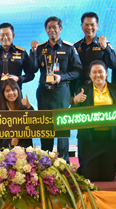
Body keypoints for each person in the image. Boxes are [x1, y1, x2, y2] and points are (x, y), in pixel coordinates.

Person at [30, 16, 82, 163]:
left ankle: (63, 163)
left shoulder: (69, 48)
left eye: (55, 27)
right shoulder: (40, 48)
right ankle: (45, 162)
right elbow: (33, 69)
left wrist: (61, 77)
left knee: (62, 128)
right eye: (49, 28)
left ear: (60, 29)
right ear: (45, 30)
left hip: (61, 91)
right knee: (46, 128)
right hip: (44, 93)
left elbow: (78, 70)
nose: (52, 30)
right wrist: (33, 52)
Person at [72, 61, 116, 181]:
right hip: (90, 139)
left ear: (106, 73)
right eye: (94, 72)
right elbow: (74, 115)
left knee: (108, 177)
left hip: (110, 138)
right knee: (90, 176)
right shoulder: (83, 90)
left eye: (100, 72)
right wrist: (76, 101)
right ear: (89, 75)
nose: (97, 75)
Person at [0, 23, 34, 109]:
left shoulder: (21, 53)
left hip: (14, 95)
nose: (5, 37)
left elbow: (30, 75)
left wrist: (19, 79)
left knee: (16, 117)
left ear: (13, 36)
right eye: (2, 35)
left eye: (8, 34)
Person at [73, 12, 116, 88]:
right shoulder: (76, 46)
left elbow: (114, 65)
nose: (89, 28)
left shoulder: (105, 44)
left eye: (92, 25)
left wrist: (106, 48)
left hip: (100, 87)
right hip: (81, 87)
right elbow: (73, 69)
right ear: (81, 26)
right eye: (86, 25)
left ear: (97, 26)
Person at [0, 79, 34, 152]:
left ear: (18, 91)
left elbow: (34, 125)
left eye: (13, 90)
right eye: (7, 91)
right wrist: (9, 142)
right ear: (3, 93)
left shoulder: (25, 108)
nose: (11, 93)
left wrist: (29, 106)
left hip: (24, 149)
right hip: (5, 151)